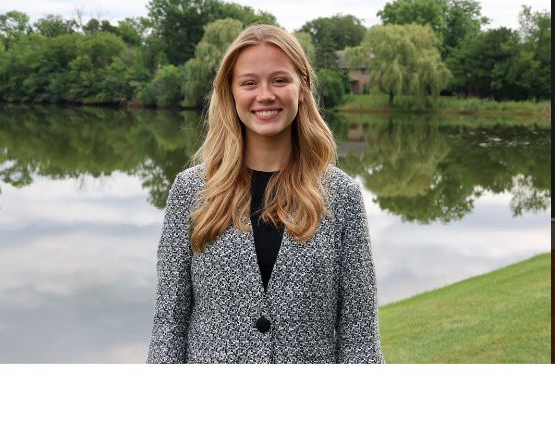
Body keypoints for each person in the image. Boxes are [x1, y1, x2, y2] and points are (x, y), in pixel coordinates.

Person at [147, 24, 384, 363]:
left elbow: (360, 333)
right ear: (230, 92)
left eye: (279, 80)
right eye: (249, 83)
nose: (265, 95)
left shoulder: (341, 194)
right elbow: (169, 324)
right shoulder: (191, 190)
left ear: (302, 88)